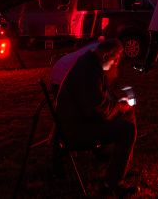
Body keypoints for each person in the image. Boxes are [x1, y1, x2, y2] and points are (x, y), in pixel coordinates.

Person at [54, 38, 137, 197]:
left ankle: (121, 168)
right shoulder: (89, 70)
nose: (116, 64)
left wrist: (119, 105)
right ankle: (112, 183)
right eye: (116, 59)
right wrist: (118, 107)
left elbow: (100, 99)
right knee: (127, 129)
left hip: (83, 120)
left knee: (129, 113)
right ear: (107, 56)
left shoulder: (92, 65)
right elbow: (96, 110)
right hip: (76, 129)